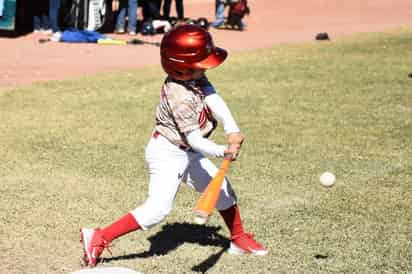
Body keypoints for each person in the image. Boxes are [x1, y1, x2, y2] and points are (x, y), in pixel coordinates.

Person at [80, 24, 268, 268]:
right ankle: (98, 237)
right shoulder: (178, 94)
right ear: (181, 68)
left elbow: (212, 98)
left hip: (188, 152)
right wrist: (223, 150)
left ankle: (238, 239)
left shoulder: (194, 76)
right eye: (200, 64)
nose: (205, 69)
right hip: (168, 153)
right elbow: (195, 140)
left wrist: (232, 128)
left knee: (222, 189)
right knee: (157, 210)